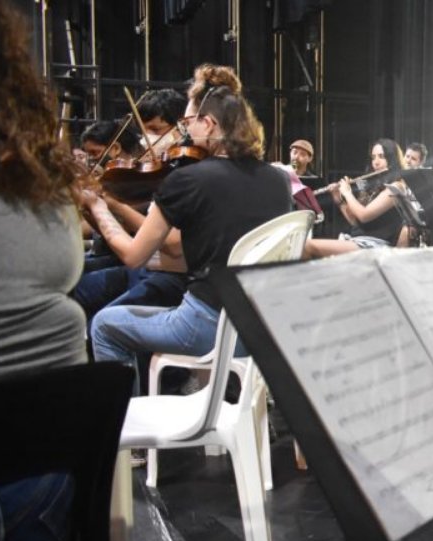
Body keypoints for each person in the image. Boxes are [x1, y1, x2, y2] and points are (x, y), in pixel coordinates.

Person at [0, 0, 89, 541]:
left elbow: (142, 253)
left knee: (109, 314)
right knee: (95, 305)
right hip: (53, 511)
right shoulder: (37, 185)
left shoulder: (190, 183)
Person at [83, 85, 292, 387]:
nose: (183, 132)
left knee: (104, 324)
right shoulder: (279, 180)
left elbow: (133, 256)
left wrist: (99, 207)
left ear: (208, 124)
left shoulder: (188, 179)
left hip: (206, 324)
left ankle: (122, 425)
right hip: (261, 328)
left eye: (187, 123)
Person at [306, 138, 410, 256]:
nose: (376, 162)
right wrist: (339, 199)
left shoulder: (397, 186)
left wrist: (347, 193)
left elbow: (364, 216)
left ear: (392, 159)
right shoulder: (371, 186)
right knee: (302, 246)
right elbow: (355, 222)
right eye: (373, 157)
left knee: (307, 246)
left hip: (375, 245)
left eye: (381, 156)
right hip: (358, 240)